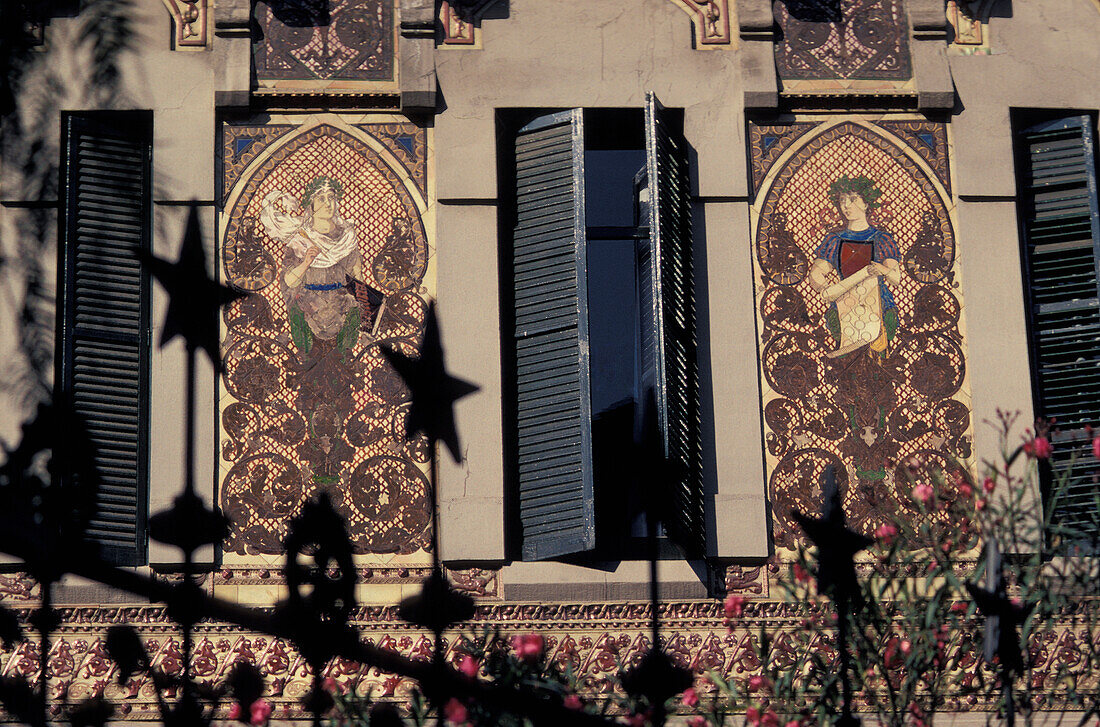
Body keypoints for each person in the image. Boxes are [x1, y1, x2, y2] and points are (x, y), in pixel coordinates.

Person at [259, 176, 364, 357]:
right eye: (321, 198)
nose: (328, 203)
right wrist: (306, 262)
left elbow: (357, 276)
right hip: (309, 309)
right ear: (311, 204)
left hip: (341, 308)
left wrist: (364, 309)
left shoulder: (347, 236)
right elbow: (289, 282)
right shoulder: (300, 238)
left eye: (331, 197)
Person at [808, 175, 902, 359]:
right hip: (844, 308)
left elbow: (895, 277)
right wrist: (828, 290)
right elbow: (817, 273)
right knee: (848, 364)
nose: (846, 206)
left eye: (852, 200)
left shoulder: (881, 239)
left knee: (876, 363)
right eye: (842, 201)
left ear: (867, 204)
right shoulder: (835, 240)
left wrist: (881, 270)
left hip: (879, 308)